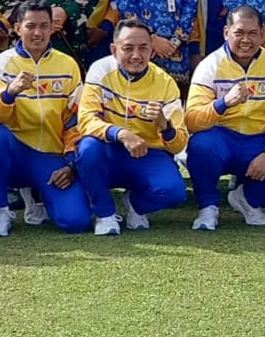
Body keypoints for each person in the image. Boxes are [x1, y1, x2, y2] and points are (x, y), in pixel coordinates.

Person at [184, 5, 265, 230]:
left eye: (252, 33)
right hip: (222, 138)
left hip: (258, 140)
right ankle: (208, 207)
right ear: (226, 32)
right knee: (201, 145)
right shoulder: (209, 65)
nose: (246, 40)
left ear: (262, 33)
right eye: (239, 33)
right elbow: (191, 120)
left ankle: (247, 199)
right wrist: (223, 103)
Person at [0, 0, 90, 236]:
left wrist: (71, 165)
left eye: (44, 26)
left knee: (75, 222)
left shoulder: (67, 64)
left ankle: (37, 194)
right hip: (15, 153)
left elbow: (75, 120)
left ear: (53, 28)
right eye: (30, 26)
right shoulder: (1, 63)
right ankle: (2, 210)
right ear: (17, 28)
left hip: (51, 155)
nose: (37, 33)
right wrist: (10, 92)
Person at [75, 19, 190, 235]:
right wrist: (120, 133)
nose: (136, 56)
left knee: (173, 191)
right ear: (114, 49)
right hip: (108, 150)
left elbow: (179, 145)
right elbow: (86, 119)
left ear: (152, 51)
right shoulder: (100, 70)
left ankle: (134, 205)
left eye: (143, 48)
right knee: (88, 148)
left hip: (147, 153)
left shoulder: (165, 83)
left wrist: (164, 125)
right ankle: (105, 215)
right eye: (128, 48)